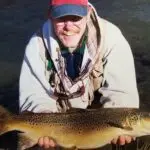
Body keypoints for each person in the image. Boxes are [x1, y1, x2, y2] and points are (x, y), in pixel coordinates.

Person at [19, 0, 139, 149]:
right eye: (61, 18)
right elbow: (34, 93)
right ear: (49, 15)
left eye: (75, 18)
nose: (68, 26)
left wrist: (120, 119)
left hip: (100, 117)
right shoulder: (36, 45)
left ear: (88, 13)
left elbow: (121, 90)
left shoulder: (112, 37)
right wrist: (43, 118)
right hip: (58, 120)